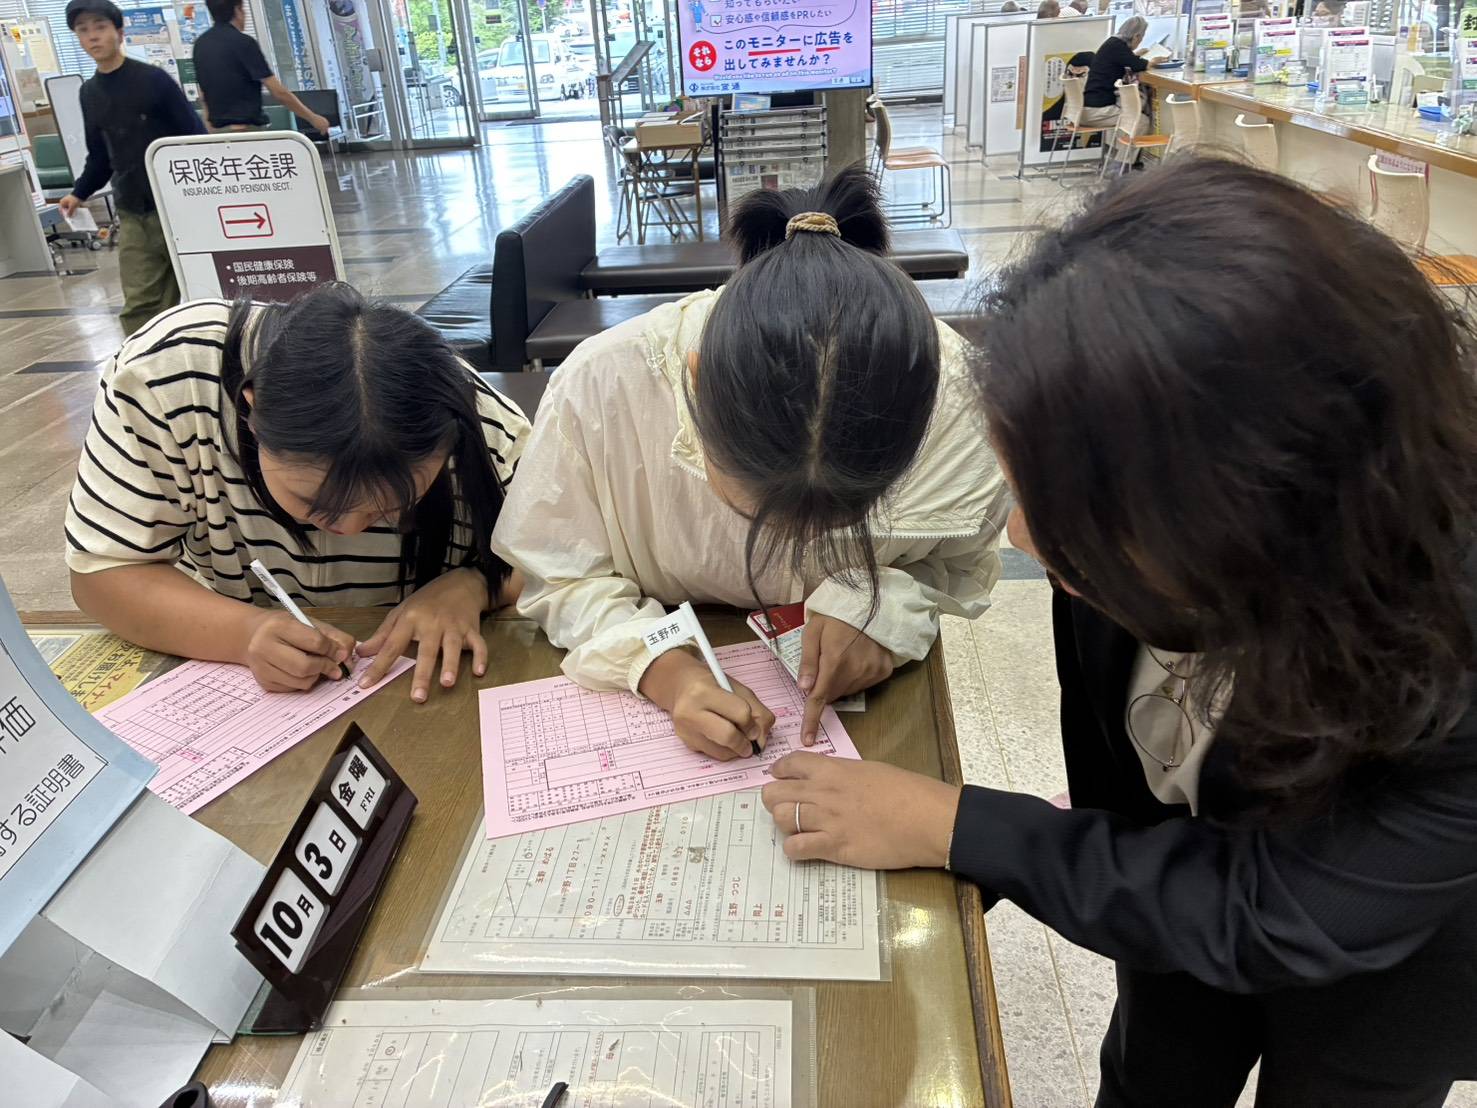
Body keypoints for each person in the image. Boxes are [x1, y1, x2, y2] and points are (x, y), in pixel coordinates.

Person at [759, 157, 1477, 1105]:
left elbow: (1276, 912)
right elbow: (1135, 814)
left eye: (1067, 517)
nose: (1023, 538)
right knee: (1152, 1068)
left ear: (1257, 513)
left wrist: (960, 826)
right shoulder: (1108, 492)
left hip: (1393, 957)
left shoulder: (1446, 644)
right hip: (1173, 873)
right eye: (1025, 491)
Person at [493, 166, 1008, 764]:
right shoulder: (605, 385)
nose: (794, 539)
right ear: (694, 385)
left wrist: (889, 609)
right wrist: (662, 668)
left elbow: (959, 561)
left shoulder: (962, 401)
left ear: (921, 425)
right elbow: (557, 574)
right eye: (757, 508)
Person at [66, 284, 530, 702]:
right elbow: (104, 571)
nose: (349, 530)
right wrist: (245, 633)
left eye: (392, 508)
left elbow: (560, 557)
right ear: (252, 409)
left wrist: (476, 585)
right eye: (314, 504)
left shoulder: (481, 425)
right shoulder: (168, 376)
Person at [57, 0, 204, 337]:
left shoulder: (153, 80)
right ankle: (147, 363)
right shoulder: (89, 92)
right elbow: (100, 155)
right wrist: (78, 193)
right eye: (83, 30)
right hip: (133, 210)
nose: (93, 36)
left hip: (179, 206)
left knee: (205, 291)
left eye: (100, 27)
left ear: (119, 33)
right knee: (140, 305)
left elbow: (194, 136)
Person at [193, 0, 331, 133]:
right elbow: (279, 93)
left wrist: (208, 133)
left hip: (217, 133)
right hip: (247, 132)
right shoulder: (244, 43)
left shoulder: (200, 45)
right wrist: (313, 118)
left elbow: (204, 95)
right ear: (237, 10)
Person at [1080, 16, 1163, 135]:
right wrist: (1154, 60)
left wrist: (1136, 55)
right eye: (1141, 38)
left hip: (1087, 108)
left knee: (1135, 118)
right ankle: (1125, 149)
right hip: (1096, 111)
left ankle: (1120, 148)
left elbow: (1126, 59)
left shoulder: (1112, 43)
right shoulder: (1118, 46)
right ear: (1136, 36)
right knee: (1141, 121)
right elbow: (1139, 65)